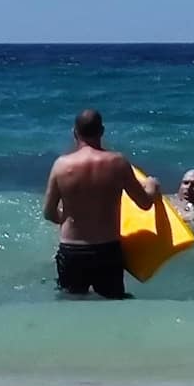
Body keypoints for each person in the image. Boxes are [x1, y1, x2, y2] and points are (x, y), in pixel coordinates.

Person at [42, 108, 158, 300]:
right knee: (113, 305)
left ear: (74, 133)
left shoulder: (61, 165)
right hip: (107, 250)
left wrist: (69, 218)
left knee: (71, 306)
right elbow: (144, 204)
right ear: (102, 131)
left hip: (72, 250)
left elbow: (48, 213)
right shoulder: (118, 162)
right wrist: (152, 187)